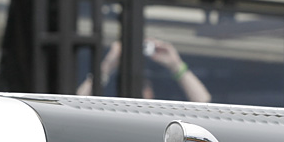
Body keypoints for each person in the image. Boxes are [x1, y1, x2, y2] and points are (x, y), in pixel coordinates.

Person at [77, 39, 212, 103]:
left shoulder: (162, 117)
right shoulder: (112, 115)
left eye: (144, 86)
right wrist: (106, 67)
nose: (141, 92)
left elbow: (204, 105)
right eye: (138, 86)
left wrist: (176, 66)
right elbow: (76, 104)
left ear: (152, 92)